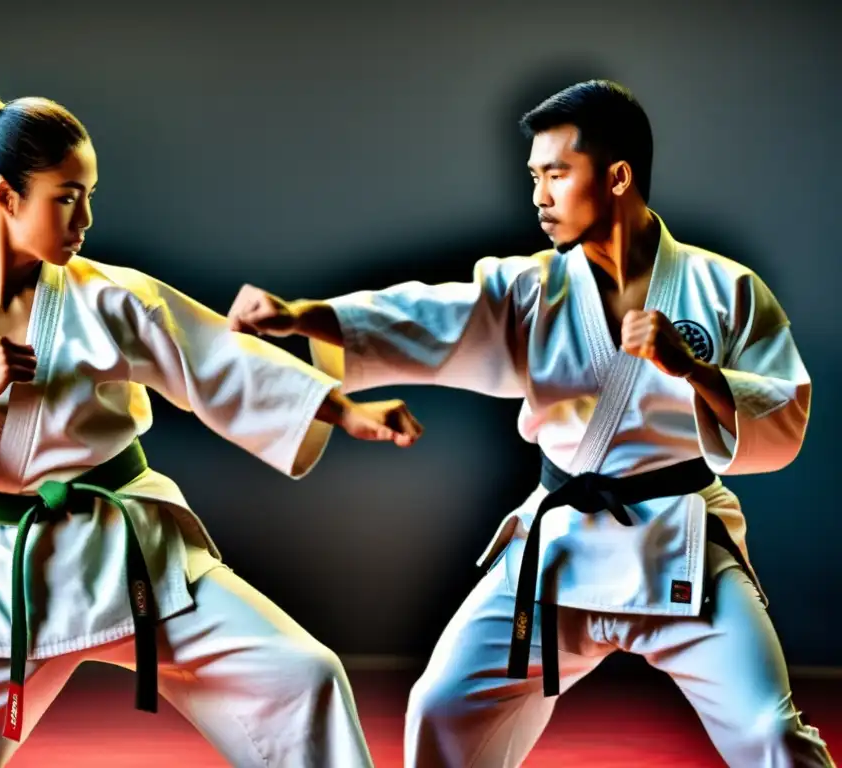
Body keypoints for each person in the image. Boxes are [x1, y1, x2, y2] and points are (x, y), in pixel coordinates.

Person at [227, 79, 835, 767]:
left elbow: (784, 413)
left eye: (556, 174)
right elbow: (432, 314)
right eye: (533, 176)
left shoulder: (723, 290)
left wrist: (693, 369)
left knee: (770, 732)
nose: (540, 195)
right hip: (561, 546)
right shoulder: (532, 289)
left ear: (616, 177)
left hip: (681, 548)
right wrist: (307, 315)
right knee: (442, 709)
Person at [0, 92, 425, 768]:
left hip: (134, 552)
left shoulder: (107, 297)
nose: (86, 219)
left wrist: (343, 409)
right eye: (66, 197)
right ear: (6, 196)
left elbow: (216, 360)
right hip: (9, 575)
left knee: (305, 678)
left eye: (88, 195)